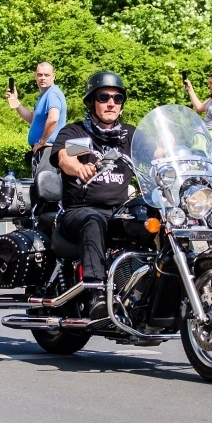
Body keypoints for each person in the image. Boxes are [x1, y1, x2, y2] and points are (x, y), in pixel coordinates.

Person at [50, 71, 135, 318]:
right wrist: (80, 168)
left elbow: (159, 152)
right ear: (91, 102)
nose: (111, 103)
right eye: (104, 97)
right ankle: (96, 293)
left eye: (117, 98)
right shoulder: (80, 135)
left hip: (120, 211)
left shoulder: (128, 137)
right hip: (78, 212)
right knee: (94, 220)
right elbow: (65, 158)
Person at [6, 62, 67, 175]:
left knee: (46, 189)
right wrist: (14, 101)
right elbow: (31, 118)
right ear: (35, 76)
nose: (43, 78)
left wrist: (42, 141)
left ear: (53, 76)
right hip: (42, 151)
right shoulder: (44, 95)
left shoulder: (52, 94)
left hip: (48, 151)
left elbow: (53, 118)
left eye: (46, 75)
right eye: (40, 75)